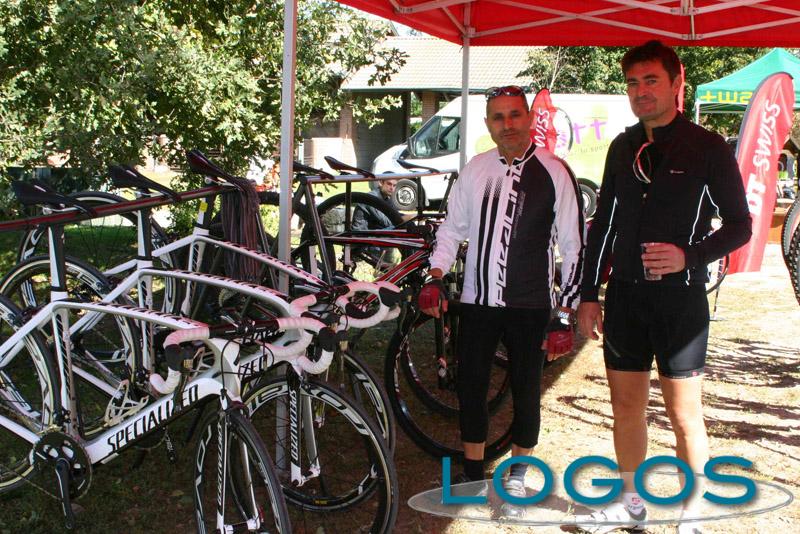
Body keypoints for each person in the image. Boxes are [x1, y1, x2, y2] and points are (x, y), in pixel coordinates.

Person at [576, 41, 752, 534]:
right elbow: (603, 225)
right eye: (633, 83)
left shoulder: (707, 147)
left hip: (680, 301)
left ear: (677, 84)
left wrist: (689, 256)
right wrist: (588, 294)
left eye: (651, 80)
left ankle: (691, 512)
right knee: (626, 407)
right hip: (626, 297)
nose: (641, 91)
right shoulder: (622, 146)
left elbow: (740, 225)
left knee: (683, 414)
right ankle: (630, 503)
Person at [418, 85, 584, 518]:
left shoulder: (554, 171)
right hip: (477, 301)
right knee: (471, 386)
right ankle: (474, 474)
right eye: (498, 117)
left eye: (514, 115)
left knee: (527, 391)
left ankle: (517, 477)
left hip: (531, 304)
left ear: (528, 118)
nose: (507, 124)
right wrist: (435, 275)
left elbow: (573, 245)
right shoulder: (475, 170)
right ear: (488, 124)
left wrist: (565, 313)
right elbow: (451, 230)